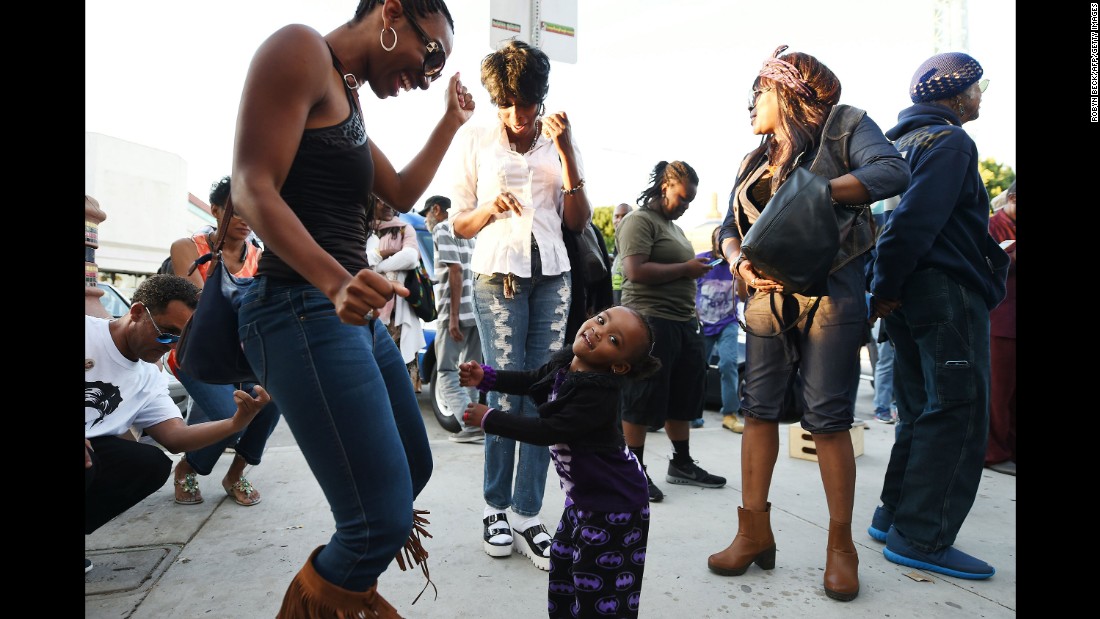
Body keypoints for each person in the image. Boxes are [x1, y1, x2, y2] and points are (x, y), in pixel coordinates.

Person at [229, 0, 475, 614]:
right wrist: (338, 282)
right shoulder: (299, 49)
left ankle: (346, 596)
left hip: (345, 316)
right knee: (375, 523)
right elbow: (251, 185)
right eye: (431, 53)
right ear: (392, 10)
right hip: (298, 306)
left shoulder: (347, 93)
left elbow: (400, 192)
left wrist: (449, 120)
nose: (426, 75)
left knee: (412, 470)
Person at [710, 46, 910, 602]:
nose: (750, 104)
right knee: (757, 412)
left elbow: (892, 171)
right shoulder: (755, 159)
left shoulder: (845, 126)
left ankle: (840, 549)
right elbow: (728, 224)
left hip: (832, 293)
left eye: (758, 93)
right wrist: (737, 259)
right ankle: (753, 534)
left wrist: (818, 192)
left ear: (785, 91)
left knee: (827, 420)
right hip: (766, 301)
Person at [449, 39, 591, 571]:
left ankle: (530, 514)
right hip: (498, 276)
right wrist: (489, 208)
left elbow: (576, 221)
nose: (515, 114)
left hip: (553, 276)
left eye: (525, 103)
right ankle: (495, 506)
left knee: (543, 397)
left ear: (541, 96)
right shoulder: (477, 138)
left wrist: (569, 151)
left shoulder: (558, 138)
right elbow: (458, 221)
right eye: (505, 103)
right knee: (506, 395)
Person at [867, 51, 1007, 581]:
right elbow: (914, 223)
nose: (980, 96)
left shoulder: (895, 145)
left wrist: (882, 290)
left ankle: (892, 514)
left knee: (920, 407)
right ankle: (923, 536)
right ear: (955, 94)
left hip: (904, 293)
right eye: (977, 86)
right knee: (958, 412)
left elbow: (883, 228)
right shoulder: (950, 142)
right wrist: (886, 285)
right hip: (942, 292)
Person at [459, 306, 662, 619]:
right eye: (601, 319)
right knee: (565, 571)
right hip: (582, 500)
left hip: (615, 506)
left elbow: (548, 431)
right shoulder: (567, 363)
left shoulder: (598, 395)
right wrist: (487, 377)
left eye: (612, 338)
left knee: (600, 591)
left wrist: (491, 419)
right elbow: (532, 380)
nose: (597, 329)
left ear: (619, 367)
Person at [86, 275, 270, 568]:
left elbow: (174, 437)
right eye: (166, 333)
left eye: (181, 339)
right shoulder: (89, 334)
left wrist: (236, 423)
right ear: (136, 312)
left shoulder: (149, 376)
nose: (170, 346)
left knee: (150, 465)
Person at [167, 175, 282, 507]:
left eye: (252, 211)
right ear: (216, 210)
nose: (247, 220)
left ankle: (236, 472)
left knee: (274, 400)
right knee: (229, 414)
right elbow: (198, 308)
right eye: (237, 210)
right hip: (196, 352)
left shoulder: (260, 257)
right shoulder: (188, 248)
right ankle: (188, 467)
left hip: (243, 353)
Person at [617, 160, 726, 503]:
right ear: (665, 187)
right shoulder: (638, 221)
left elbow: (680, 274)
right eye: (682, 198)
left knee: (683, 397)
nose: (685, 206)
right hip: (650, 322)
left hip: (682, 322)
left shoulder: (674, 228)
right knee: (642, 397)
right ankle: (632, 471)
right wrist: (687, 268)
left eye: (691, 200)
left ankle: (681, 464)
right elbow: (634, 271)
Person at [421, 194, 484, 443]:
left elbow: (454, 271)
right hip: (476, 310)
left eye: (426, 214)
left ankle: (469, 426)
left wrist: (453, 318)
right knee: (471, 371)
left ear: (436, 210)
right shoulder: (470, 232)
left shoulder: (442, 229)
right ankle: (478, 424)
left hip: (454, 311)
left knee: (446, 371)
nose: (427, 220)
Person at [367, 196, 428, 393]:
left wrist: (377, 267)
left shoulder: (404, 228)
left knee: (401, 379)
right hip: (368, 311)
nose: (386, 204)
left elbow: (410, 258)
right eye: (380, 200)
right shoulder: (363, 229)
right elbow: (359, 260)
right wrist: (381, 253)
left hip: (400, 316)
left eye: (390, 201)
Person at [695, 226, 744, 433]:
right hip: (703, 323)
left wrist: (741, 272)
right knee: (698, 368)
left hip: (728, 322)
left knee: (728, 364)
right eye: (719, 241)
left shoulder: (736, 264)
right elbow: (688, 288)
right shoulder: (702, 261)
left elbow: (743, 296)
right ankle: (693, 414)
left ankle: (730, 414)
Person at [985, 181, 1016, 476]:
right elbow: (989, 262)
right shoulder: (993, 225)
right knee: (998, 390)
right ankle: (994, 452)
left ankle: (1010, 448)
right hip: (1000, 320)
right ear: (1011, 199)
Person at [610, 203, 633, 306]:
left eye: (624, 216)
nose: (619, 220)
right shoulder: (617, 243)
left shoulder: (635, 241)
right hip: (616, 299)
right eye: (616, 216)